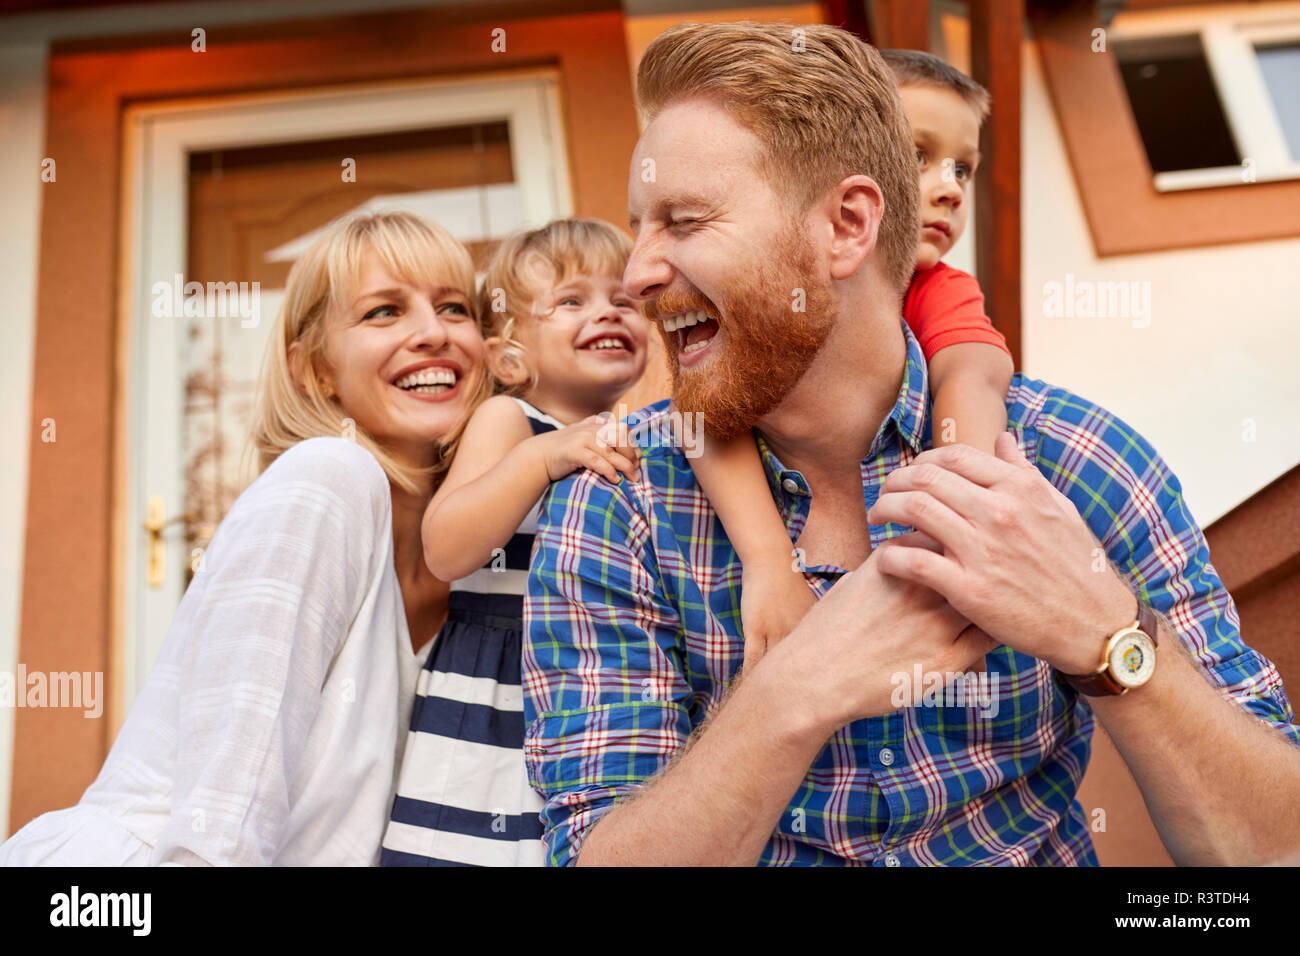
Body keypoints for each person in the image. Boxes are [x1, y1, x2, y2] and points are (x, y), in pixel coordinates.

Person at [522, 21, 1300, 866]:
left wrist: (1107, 636)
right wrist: (793, 691)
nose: (634, 273)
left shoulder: (1080, 459)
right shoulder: (616, 498)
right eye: (639, 227)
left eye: (683, 220)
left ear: (848, 226)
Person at [0, 210, 485, 865]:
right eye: (382, 312)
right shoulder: (328, 478)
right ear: (314, 369)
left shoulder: (479, 554)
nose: (433, 334)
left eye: (455, 307)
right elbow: (224, 812)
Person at [691, 48, 1014, 664]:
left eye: (963, 169)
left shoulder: (940, 287)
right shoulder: (753, 285)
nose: (949, 188)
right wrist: (767, 564)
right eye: (919, 156)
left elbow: (972, 373)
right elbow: (707, 416)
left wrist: (956, 523)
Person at [380, 218, 647, 866]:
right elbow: (445, 550)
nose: (605, 312)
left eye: (623, 299)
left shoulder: (640, 434)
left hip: (592, 688)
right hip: (498, 691)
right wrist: (542, 456)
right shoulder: (512, 421)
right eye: (572, 301)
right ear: (509, 357)